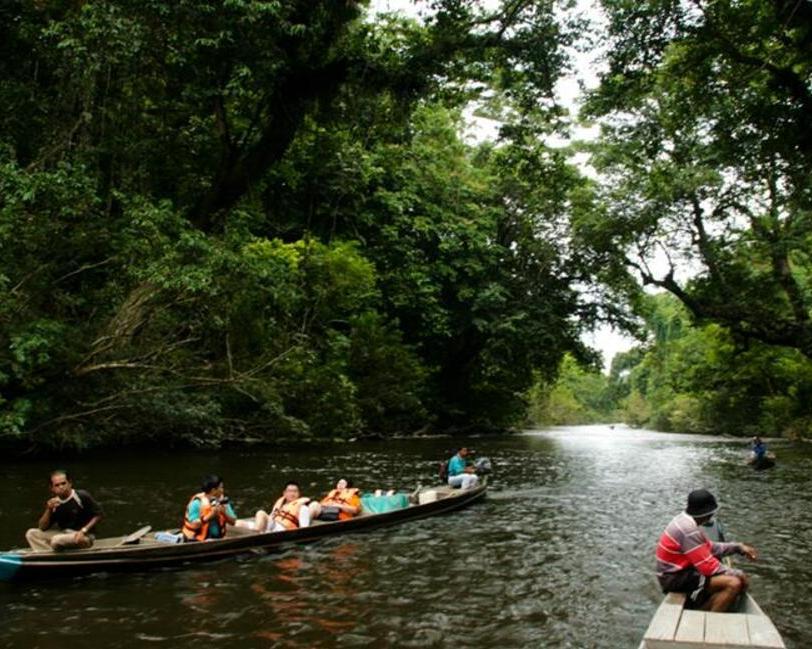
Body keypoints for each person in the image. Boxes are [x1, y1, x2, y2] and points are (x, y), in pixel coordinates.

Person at [656, 489, 758, 611]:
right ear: (707, 514)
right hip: (674, 578)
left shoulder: (684, 520)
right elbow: (708, 567)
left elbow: (710, 548)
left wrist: (738, 547)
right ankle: (708, 619)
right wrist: (738, 573)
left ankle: (703, 609)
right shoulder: (688, 530)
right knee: (733, 584)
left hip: (678, 573)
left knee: (725, 576)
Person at [25, 470, 104, 552]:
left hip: (84, 536)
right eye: (57, 485)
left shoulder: (81, 496)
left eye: (63, 483)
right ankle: (47, 556)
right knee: (31, 534)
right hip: (64, 535)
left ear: (70, 483)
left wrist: (83, 531)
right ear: (52, 488)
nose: (61, 487)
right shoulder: (54, 503)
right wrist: (48, 509)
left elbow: (98, 514)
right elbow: (42, 527)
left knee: (56, 540)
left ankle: (52, 555)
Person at [181, 475, 237, 542]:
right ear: (213, 490)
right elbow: (193, 525)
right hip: (196, 540)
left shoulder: (223, 502)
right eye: (221, 487)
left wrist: (224, 512)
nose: (223, 490)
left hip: (218, 539)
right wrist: (209, 517)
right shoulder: (197, 503)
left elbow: (233, 521)